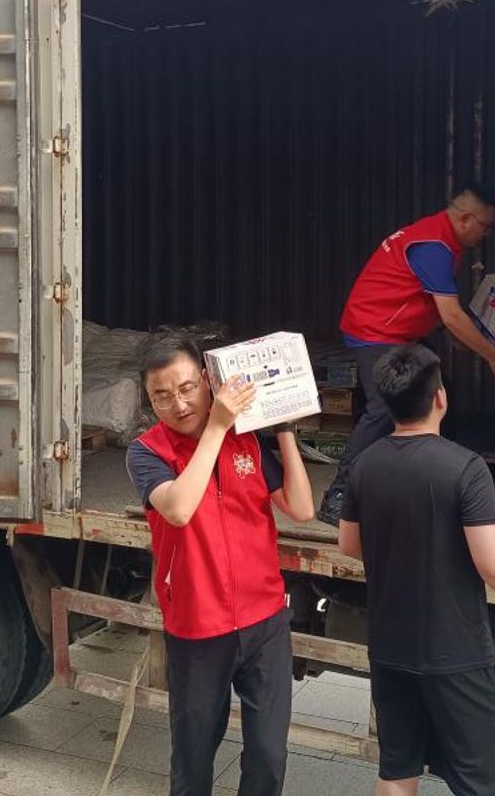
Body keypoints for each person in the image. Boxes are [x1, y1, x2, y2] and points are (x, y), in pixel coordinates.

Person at [127, 331, 317, 796]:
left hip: (265, 620)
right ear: (150, 400)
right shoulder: (147, 452)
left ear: (207, 380)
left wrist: (284, 430)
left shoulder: (246, 439)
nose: (179, 404)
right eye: (162, 396)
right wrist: (215, 428)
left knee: (269, 757)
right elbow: (178, 508)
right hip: (198, 628)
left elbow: (301, 508)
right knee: (193, 759)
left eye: (187, 388)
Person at [338, 345, 495, 796]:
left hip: (389, 647)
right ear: (440, 398)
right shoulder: (466, 468)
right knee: (481, 782)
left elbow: (349, 544)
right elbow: (492, 564)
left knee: (396, 770)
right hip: (455, 653)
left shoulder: (365, 465)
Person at [317, 184, 495, 525]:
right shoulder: (434, 246)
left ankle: (441, 482)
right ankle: (338, 495)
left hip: (400, 333)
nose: (487, 235)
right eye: (486, 227)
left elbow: (430, 305)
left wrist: (453, 334)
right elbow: (452, 315)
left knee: (438, 394)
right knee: (384, 407)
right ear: (465, 219)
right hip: (375, 331)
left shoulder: (441, 238)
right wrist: (494, 357)